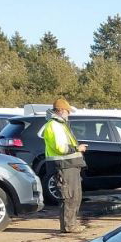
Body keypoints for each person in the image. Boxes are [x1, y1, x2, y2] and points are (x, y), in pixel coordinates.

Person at [37, 98, 87, 234]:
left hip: (69, 165)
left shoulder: (59, 124)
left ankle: (71, 225)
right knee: (69, 196)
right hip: (64, 166)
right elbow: (60, 148)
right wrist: (77, 148)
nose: (68, 114)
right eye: (67, 111)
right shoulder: (54, 125)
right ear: (60, 110)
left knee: (74, 196)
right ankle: (69, 226)